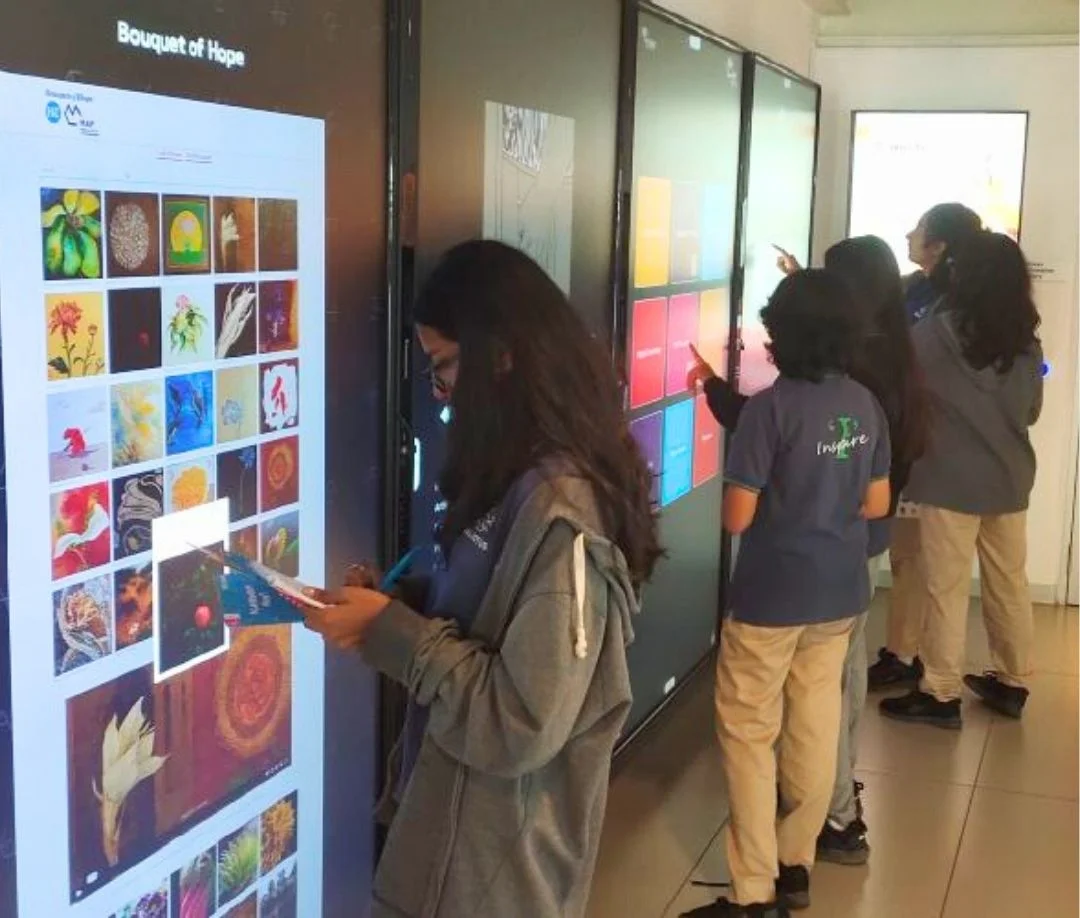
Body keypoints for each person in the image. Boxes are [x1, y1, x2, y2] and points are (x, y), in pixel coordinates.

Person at [303, 240, 662, 918]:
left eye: (444, 366)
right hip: (450, 840)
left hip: (492, 878)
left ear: (502, 356)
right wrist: (394, 608)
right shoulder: (516, 474)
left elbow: (519, 723)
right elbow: (493, 618)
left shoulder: (563, 514)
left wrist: (395, 635)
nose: (438, 393)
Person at [687, 236, 926, 869]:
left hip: (770, 598)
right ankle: (798, 861)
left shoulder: (769, 410)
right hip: (840, 593)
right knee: (816, 727)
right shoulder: (864, 403)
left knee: (749, 731)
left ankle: (755, 885)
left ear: (779, 336)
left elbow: (738, 518)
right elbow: (876, 503)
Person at [880, 232, 1042, 729]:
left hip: (948, 479)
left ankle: (941, 691)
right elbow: (1031, 412)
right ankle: (1012, 681)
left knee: (945, 588)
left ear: (962, 276)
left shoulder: (931, 335)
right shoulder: (1025, 343)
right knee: (1009, 582)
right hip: (1009, 478)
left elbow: (906, 392)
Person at [866, 203, 984, 693]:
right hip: (906, 438)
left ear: (940, 245)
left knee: (920, 561)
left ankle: (912, 659)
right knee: (906, 556)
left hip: (929, 448)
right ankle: (903, 651)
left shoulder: (956, 305)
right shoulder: (914, 287)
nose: (908, 234)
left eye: (918, 230)